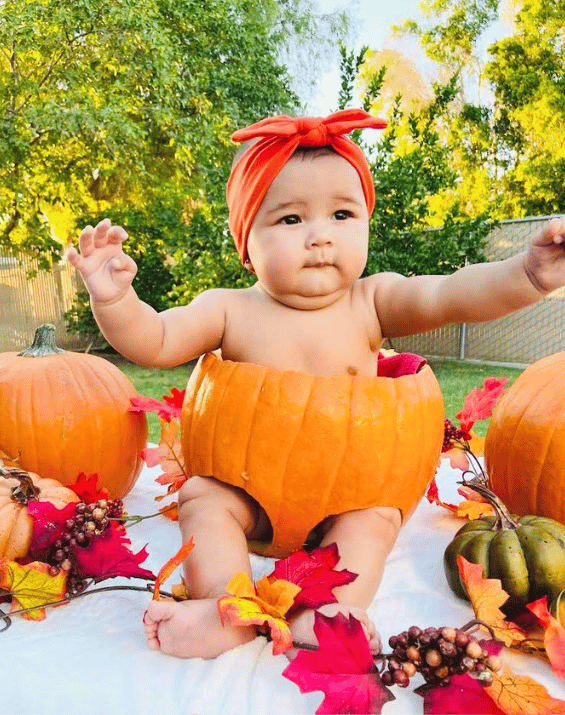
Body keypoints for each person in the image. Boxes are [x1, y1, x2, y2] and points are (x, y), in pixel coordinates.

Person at [67, 109, 565, 661]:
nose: (320, 236)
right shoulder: (228, 309)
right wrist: (114, 300)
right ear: (247, 240)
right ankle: (225, 606)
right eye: (289, 220)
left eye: (342, 214)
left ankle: (329, 611)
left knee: (375, 520)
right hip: (245, 488)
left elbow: (450, 294)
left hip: (348, 495)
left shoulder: (373, 302)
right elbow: (155, 341)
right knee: (202, 498)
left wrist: (527, 274)